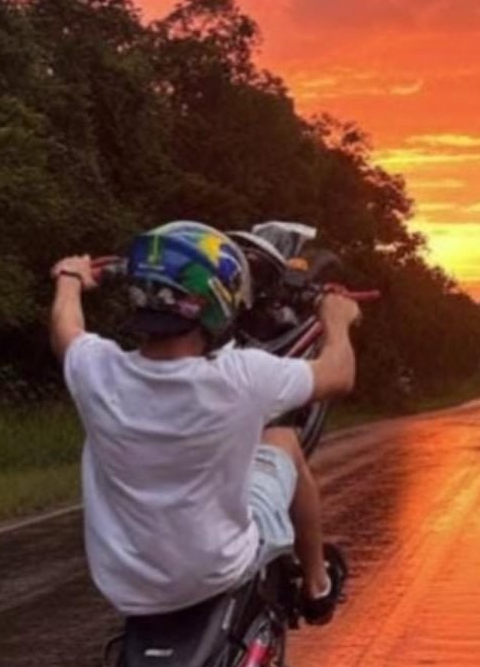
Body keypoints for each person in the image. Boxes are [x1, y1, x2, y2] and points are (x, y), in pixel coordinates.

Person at [49, 221, 360, 623]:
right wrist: (336, 320)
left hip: (125, 586)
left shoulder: (95, 369)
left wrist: (70, 279)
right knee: (283, 439)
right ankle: (317, 585)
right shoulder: (241, 377)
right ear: (217, 304)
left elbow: (65, 329)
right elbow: (339, 374)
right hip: (215, 571)